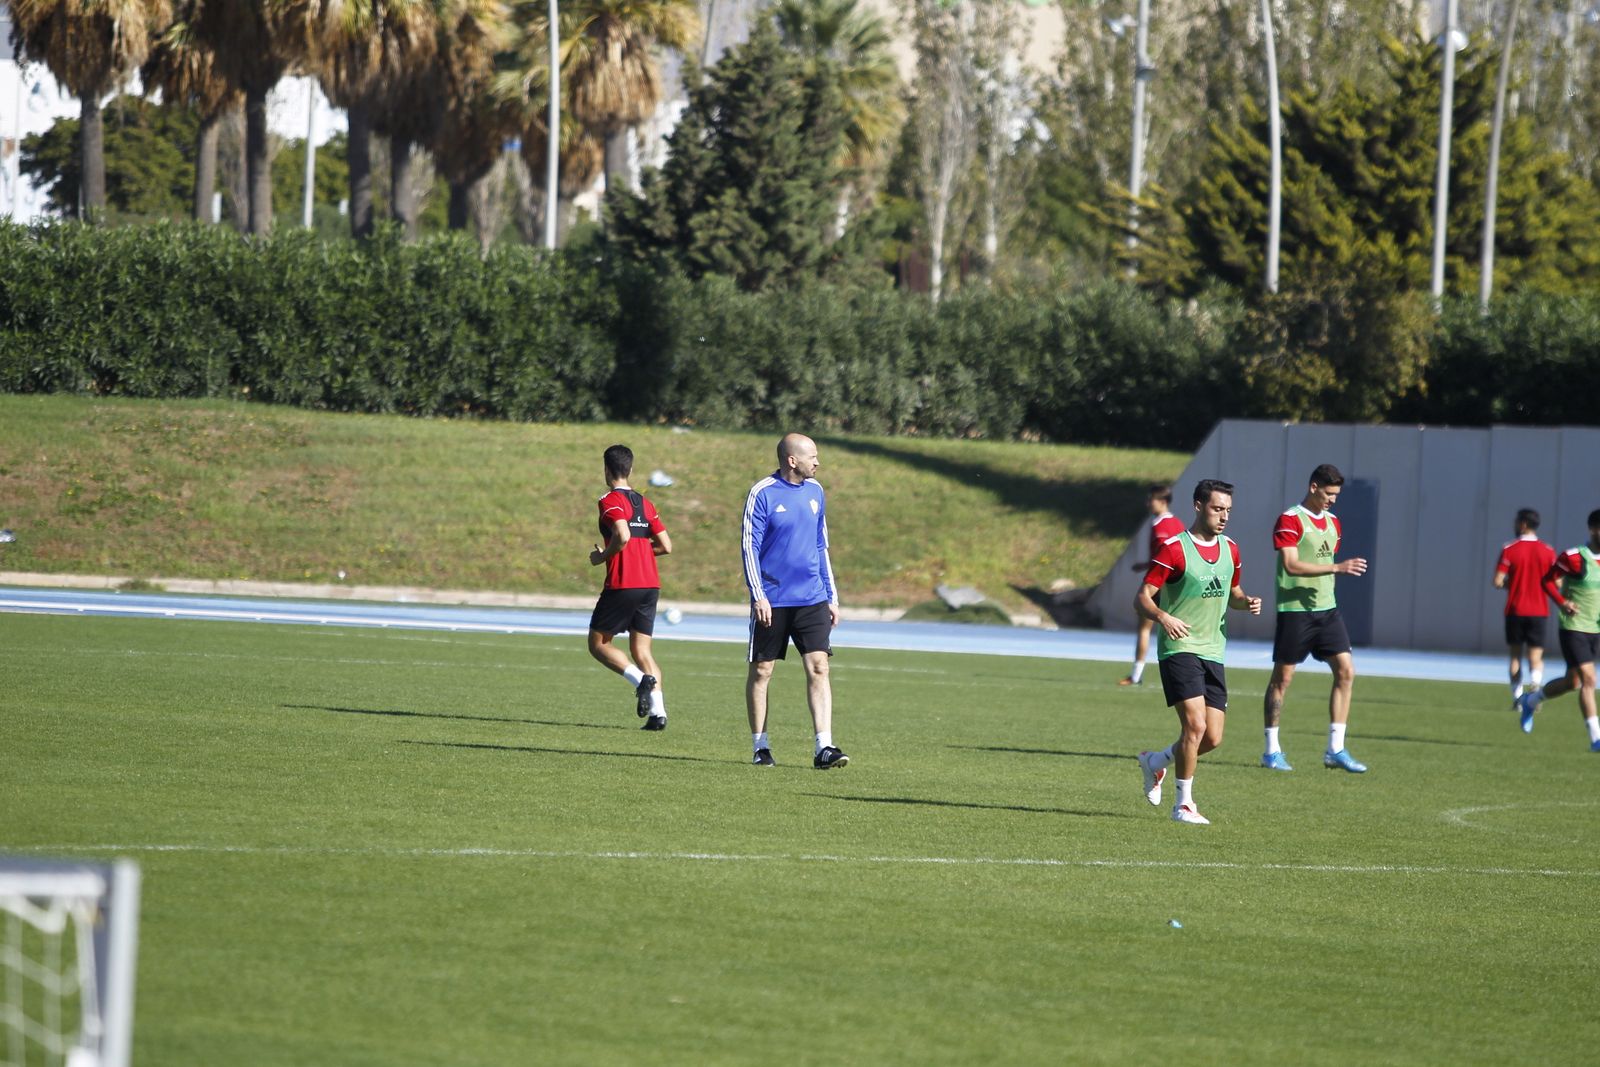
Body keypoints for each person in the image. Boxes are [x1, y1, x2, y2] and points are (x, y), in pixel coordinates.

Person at [1134, 479, 1263, 825]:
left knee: (1212, 737)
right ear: (1198, 506)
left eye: (1228, 510)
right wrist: (1163, 617)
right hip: (1179, 648)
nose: (1224, 516)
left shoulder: (1231, 549)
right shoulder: (1174, 549)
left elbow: (1234, 593)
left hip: (1213, 650)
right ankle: (1184, 805)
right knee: (1194, 725)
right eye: (1217, 508)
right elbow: (1142, 597)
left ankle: (1156, 762)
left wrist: (1247, 602)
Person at [741, 433, 847, 769]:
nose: (817, 462)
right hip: (772, 599)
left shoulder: (816, 492)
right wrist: (758, 594)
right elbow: (749, 548)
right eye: (812, 456)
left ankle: (824, 747)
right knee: (762, 671)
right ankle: (761, 746)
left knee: (819, 666)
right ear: (792, 460)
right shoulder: (762, 493)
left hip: (812, 597)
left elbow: (820, 546)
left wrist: (831, 596)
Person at [1260, 464, 1370, 773]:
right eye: (1328, 493)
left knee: (1346, 672)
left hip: (1328, 610)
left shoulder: (1334, 522)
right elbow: (1292, 565)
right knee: (1282, 679)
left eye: (1336, 495)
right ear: (1313, 487)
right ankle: (1271, 751)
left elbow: (1325, 556)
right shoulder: (1290, 519)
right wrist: (1336, 567)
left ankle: (1335, 749)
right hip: (1295, 611)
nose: (1333, 500)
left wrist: (1333, 572)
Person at [587, 444, 672, 730]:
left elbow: (622, 535)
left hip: (624, 583)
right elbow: (666, 546)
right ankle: (658, 714)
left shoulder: (609, 500)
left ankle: (640, 681)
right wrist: (642, 553)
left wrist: (603, 557)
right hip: (650, 584)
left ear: (606, 469)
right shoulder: (645, 503)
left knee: (599, 644)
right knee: (642, 651)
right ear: (631, 469)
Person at [1515, 509, 1600, 751]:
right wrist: (1563, 603)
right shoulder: (1574, 557)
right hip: (1573, 627)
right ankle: (1596, 739)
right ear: (1593, 529)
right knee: (1589, 679)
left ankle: (1531, 700)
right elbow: (1547, 580)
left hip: (1595, 629)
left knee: (1572, 682)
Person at [1119, 484, 1185, 687]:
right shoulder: (1178, 523)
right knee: (1178, 629)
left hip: (1160, 584)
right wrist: (1145, 564)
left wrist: (1154, 573)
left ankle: (1136, 675)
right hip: (1178, 584)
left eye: (1151, 499)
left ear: (1163, 502)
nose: (1148, 503)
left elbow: (1165, 556)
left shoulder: (1161, 526)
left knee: (1145, 628)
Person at [1493, 508, 1558, 707]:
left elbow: (1498, 581)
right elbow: (1557, 582)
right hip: (1539, 611)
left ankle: (1517, 698)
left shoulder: (1509, 549)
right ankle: (1535, 691)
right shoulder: (1548, 551)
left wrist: (1513, 584)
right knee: (1535, 657)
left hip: (1516, 610)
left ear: (1522, 524)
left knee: (1515, 656)